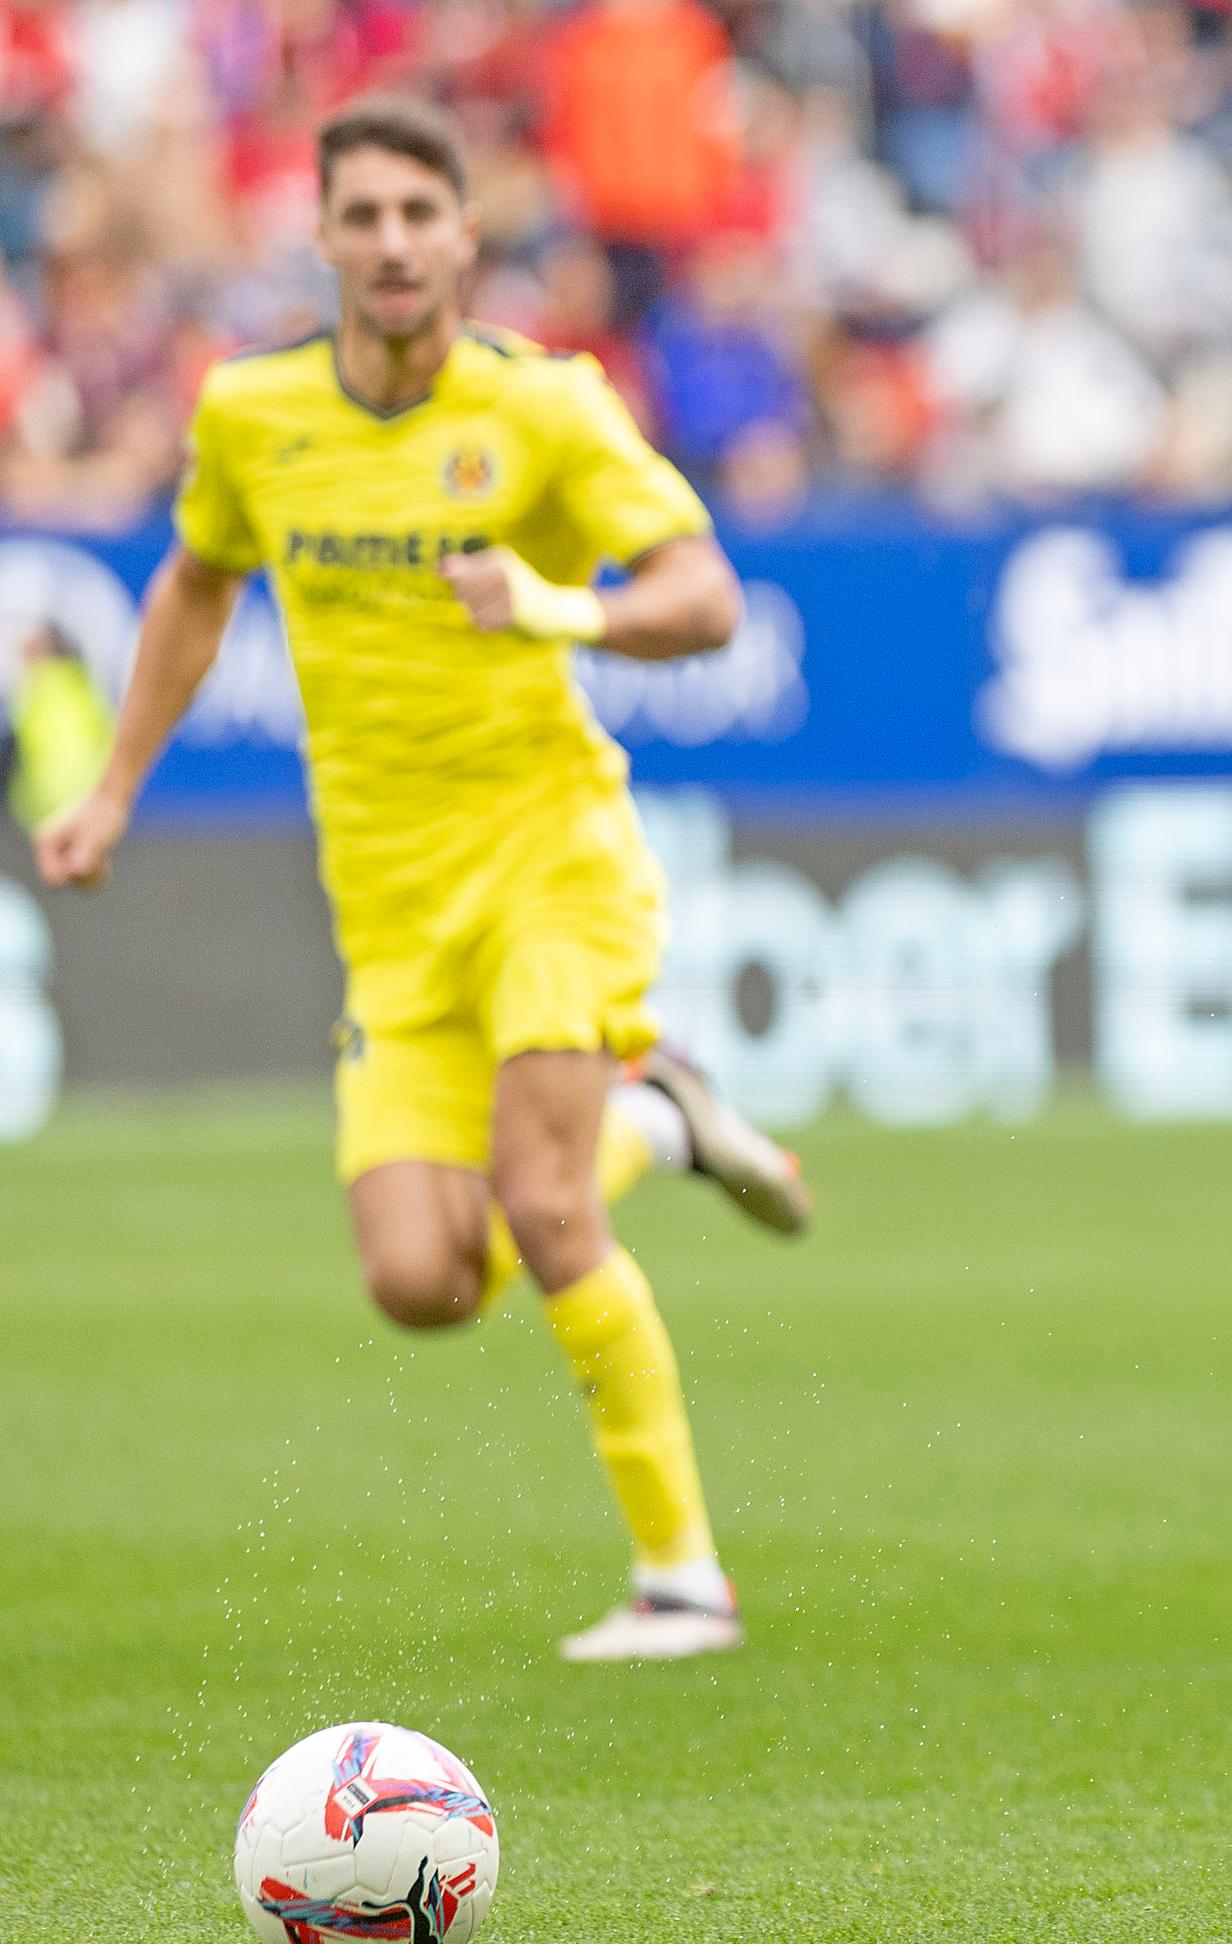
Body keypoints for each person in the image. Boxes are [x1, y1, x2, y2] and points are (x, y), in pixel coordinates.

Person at [28, 97, 811, 1664]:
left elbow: (706, 595)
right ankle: (660, 1118)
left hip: (550, 860)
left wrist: (551, 607)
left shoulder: (546, 407)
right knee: (421, 1282)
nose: (391, 244)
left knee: (538, 1201)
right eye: (363, 217)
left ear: (467, 235)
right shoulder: (251, 415)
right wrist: (114, 786)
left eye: (419, 215)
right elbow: (194, 579)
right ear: (319, 236)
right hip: (388, 908)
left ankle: (682, 1583)